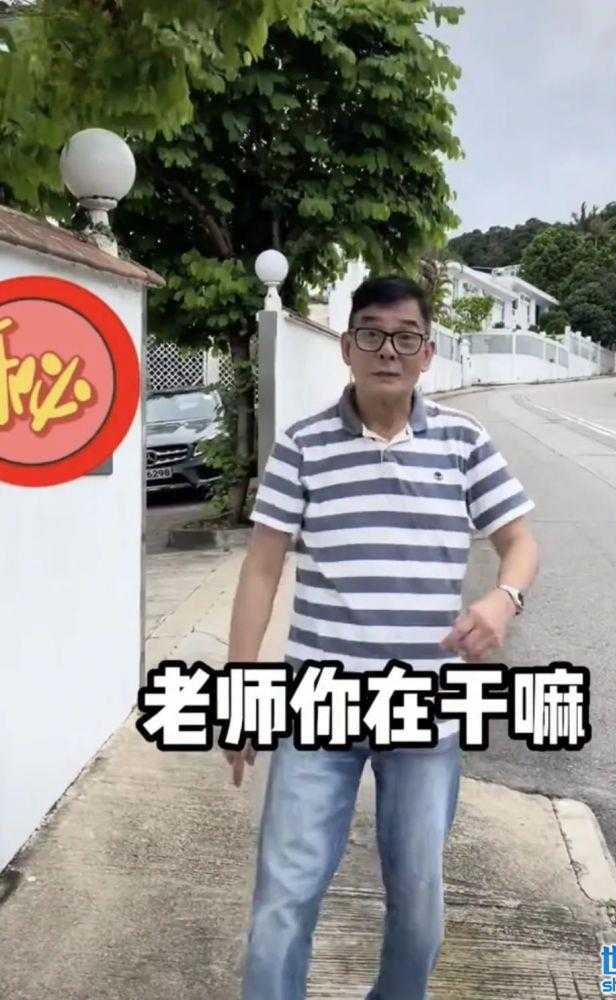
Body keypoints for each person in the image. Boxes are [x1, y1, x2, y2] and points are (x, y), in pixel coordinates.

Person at [225, 275, 539, 1000]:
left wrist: (503, 599)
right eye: (371, 334)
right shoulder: (301, 446)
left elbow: (520, 541)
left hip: (424, 710)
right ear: (347, 347)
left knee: (419, 903)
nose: (387, 351)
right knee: (282, 900)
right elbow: (261, 571)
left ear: (427, 353)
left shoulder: (464, 442)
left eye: (405, 338)